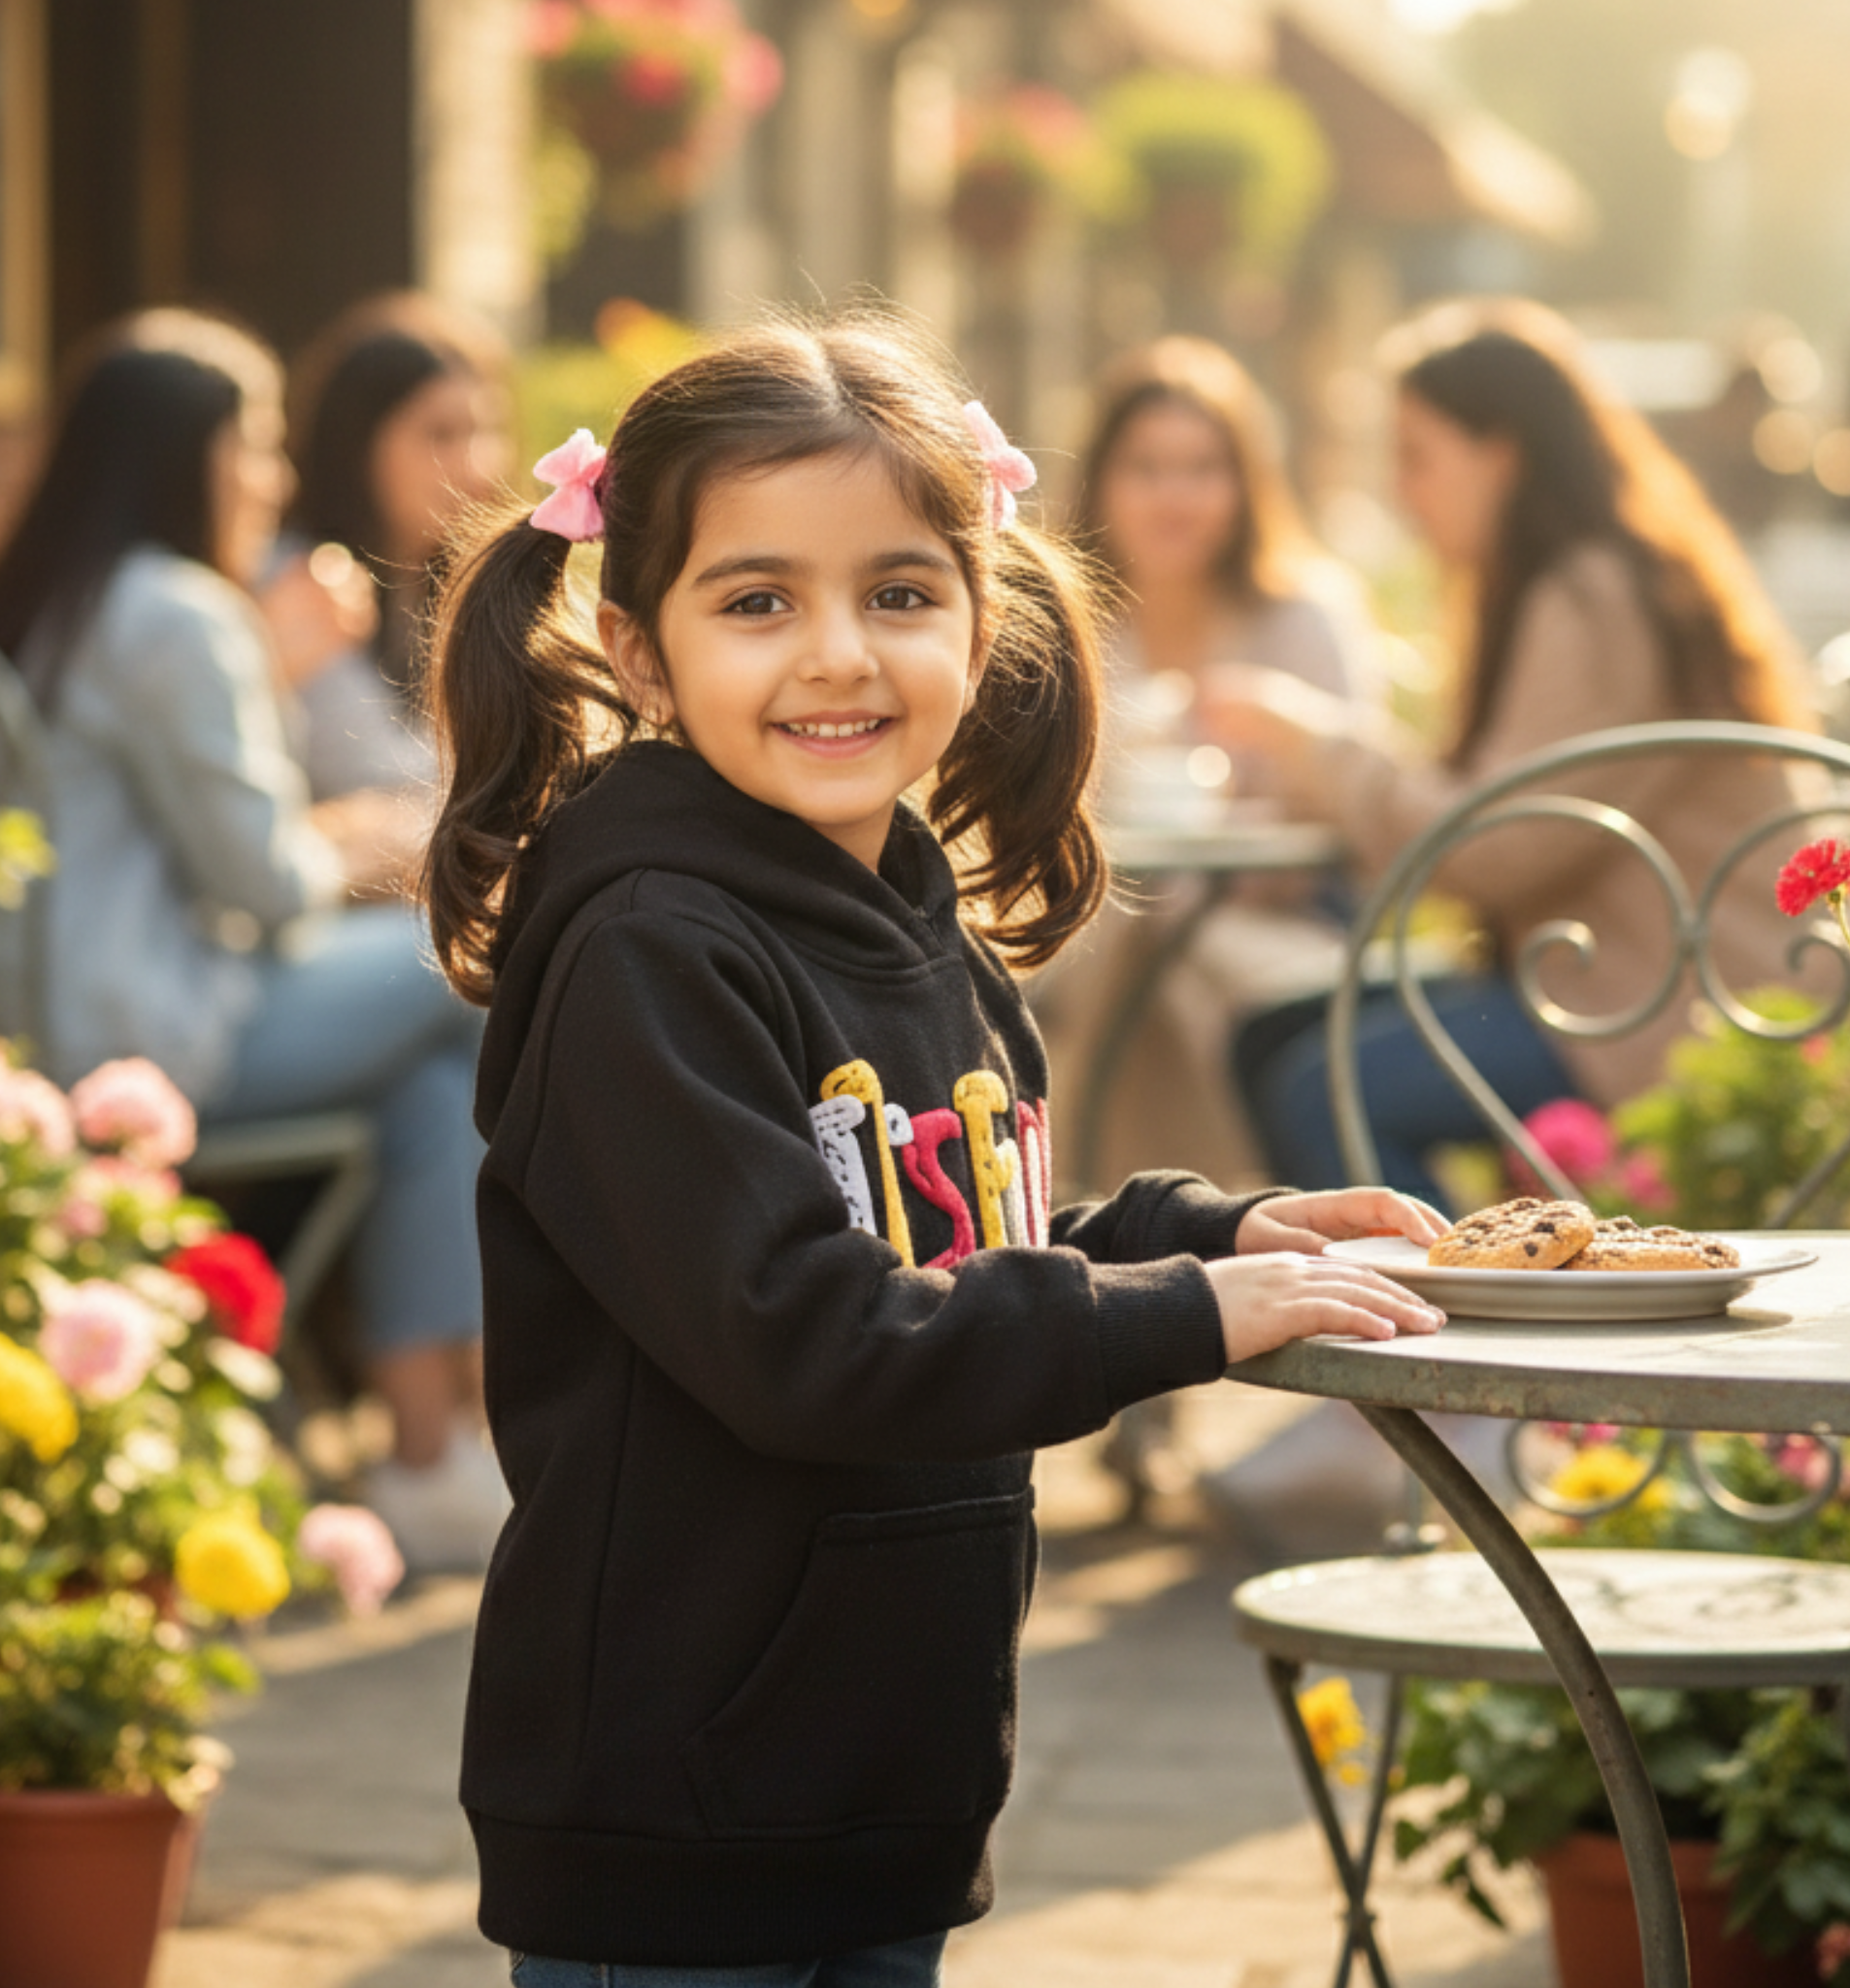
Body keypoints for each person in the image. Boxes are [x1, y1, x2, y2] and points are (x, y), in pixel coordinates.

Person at [421, 310, 1448, 1984]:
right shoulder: (647, 952)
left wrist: (1208, 1233)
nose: (838, 652)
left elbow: (950, 1245)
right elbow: (808, 1335)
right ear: (639, 650)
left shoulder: (906, 911)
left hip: (880, 1779)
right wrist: (1179, 1316)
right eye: (757, 600)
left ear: (983, 623)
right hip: (683, 1813)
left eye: (898, 592)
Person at [0, 307, 508, 1570]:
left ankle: (434, 1453)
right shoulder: (176, 613)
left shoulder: (37, 597)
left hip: (21, 1029)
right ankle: (459, 1435)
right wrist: (357, 837)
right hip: (150, 1037)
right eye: (251, 447)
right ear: (179, 457)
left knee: (427, 1083)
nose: (275, 478)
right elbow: (263, 883)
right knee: (478, 968)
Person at [1208, 297, 1819, 1204]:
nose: (1400, 489)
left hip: (1680, 1006)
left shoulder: (1592, 596)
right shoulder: (1584, 577)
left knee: (1323, 1090)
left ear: (1501, 455)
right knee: (1270, 1038)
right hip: (1605, 980)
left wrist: (1320, 748)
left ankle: (1463, 1319)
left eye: (1417, 456)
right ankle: (1455, 1293)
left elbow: (1498, 847)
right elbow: (1501, 810)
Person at [1041, 338, 1386, 1514]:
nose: (1175, 493)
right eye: (1147, 464)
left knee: (1151, 984)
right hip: (1126, 930)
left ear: (1246, 482)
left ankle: (1142, 1357)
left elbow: (1352, 814)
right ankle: (1177, 1317)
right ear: (1105, 482)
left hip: (1287, 932)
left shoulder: (1302, 616)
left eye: (1202, 465)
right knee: (1141, 967)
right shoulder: (1073, 626)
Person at [265, 288, 514, 800]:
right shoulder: (305, 584)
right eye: (440, 435)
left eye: (487, 430)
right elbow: (372, 776)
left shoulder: (459, 586)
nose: (478, 466)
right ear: (356, 446)